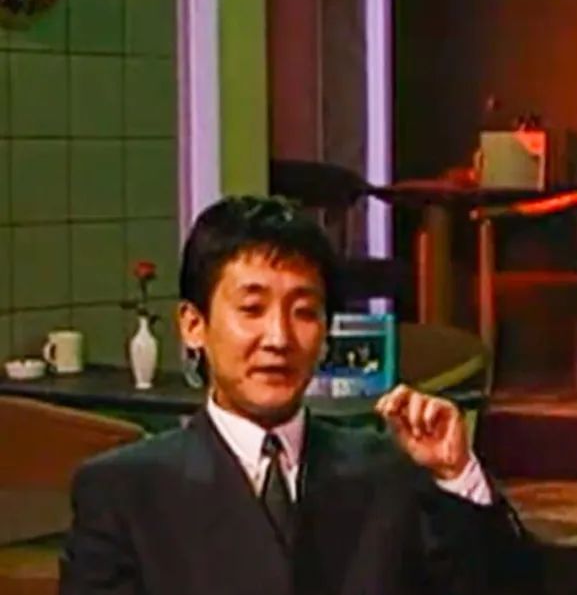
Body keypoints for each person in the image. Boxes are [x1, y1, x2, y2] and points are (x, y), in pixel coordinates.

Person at [59, 196, 533, 595]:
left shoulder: (388, 473)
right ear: (193, 324)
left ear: (326, 333)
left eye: (304, 312)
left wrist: (456, 475)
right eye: (252, 309)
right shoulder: (125, 491)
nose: (279, 338)